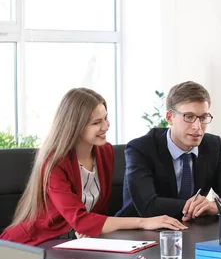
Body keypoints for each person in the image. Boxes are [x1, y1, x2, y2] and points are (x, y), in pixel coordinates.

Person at [0, 88, 186, 246]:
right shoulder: (55, 162)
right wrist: (143, 222)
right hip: (40, 242)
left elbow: (97, 213)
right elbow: (80, 219)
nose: (106, 126)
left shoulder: (104, 152)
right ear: (75, 127)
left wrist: (87, 229)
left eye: (106, 118)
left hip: (77, 241)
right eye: (97, 123)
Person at [117, 81, 221, 220]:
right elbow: (148, 206)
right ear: (169, 117)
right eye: (189, 117)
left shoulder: (212, 145)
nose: (197, 126)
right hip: (141, 233)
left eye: (203, 117)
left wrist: (217, 206)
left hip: (191, 230)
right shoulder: (141, 148)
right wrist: (194, 207)